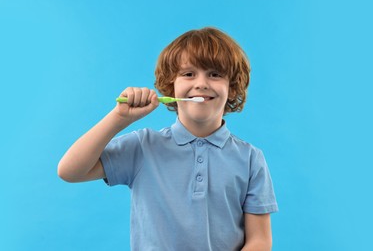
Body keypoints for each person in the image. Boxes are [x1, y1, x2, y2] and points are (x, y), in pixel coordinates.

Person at [58, 27, 278, 250]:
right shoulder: (143, 147)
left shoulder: (250, 158)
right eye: (188, 74)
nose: (201, 83)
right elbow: (70, 171)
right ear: (170, 85)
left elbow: (259, 240)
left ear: (231, 88)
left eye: (215, 74)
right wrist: (118, 118)